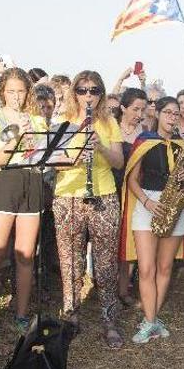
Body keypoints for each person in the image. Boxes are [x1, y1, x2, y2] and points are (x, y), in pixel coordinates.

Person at [53, 70, 125, 348]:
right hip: (68, 195)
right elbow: (54, 163)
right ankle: (71, 317)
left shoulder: (108, 122)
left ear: (101, 94)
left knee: (106, 264)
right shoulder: (62, 121)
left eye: (94, 90)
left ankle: (109, 320)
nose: (88, 95)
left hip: (103, 194)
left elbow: (118, 162)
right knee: (71, 261)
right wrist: (74, 157)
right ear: (74, 93)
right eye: (82, 90)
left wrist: (101, 147)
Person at [120, 97, 184, 343]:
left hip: (175, 204)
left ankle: (151, 319)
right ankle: (150, 320)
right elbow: (132, 179)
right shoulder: (145, 140)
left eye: (177, 113)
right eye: (168, 112)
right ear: (158, 113)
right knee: (146, 268)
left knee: (165, 268)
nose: (172, 117)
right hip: (148, 203)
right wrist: (147, 202)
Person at [0, 68, 48, 340]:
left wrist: (34, 137)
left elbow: (45, 156)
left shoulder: (36, 119)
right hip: (4, 182)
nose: (16, 97)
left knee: (25, 254)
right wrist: (17, 136)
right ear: (2, 92)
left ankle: (21, 315)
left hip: (31, 182)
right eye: (11, 91)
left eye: (21, 91)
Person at [112, 87, 148, 307]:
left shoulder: (145, 132)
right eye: (135, 109)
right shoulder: (112, 129)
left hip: (135, 192)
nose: (139, 114)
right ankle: (105, 286)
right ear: (123, 108)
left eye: (142, 110)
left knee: (128, 241)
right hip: (112, 189)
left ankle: (124, 289)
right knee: (109, 242)